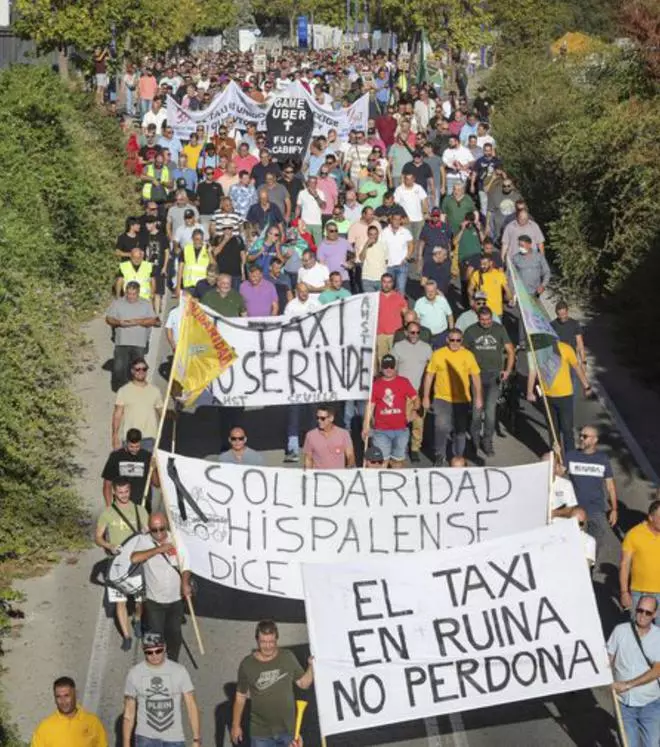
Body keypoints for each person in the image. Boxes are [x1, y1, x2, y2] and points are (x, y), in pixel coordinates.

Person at [231, 620, 314, 747]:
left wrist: (311, 666)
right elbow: (240, 697)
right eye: (263, 642)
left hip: (289, 732)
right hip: (261, 734)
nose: (268, 646)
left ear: (277, 640)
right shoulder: (247, 664)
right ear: (257, 640)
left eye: (271, 642)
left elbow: (304, 683)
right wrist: (235, 725)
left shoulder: (287, 657)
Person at [130, 513, 191, 662]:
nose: (158, 533)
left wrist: (185, 583)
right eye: (154, 530)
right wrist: (158, 550)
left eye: (162, 529)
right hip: (154, 600)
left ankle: (173, 662)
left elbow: (186, 564)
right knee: (156, 636)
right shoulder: (144, 540)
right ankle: (156, 663)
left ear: (167, 526)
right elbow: (134, 558)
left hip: (175, 599)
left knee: (175, 634)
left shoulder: (177, 539)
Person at [95, 478, 149, 650]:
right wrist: (109, 545)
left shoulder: (140, 510)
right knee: (121, 601)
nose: (124, 495)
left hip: (137, 561)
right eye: (120, 492)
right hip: (117, 563)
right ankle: (126, 636)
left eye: (126, 492)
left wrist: (146, 532)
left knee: (141, 600)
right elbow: (97, 537)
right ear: (114, 493)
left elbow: (148, 535)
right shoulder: (108, 513)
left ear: (130, 490)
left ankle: (138, 619)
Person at [123, 632, 201, 747]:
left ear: (164, 648)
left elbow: (191, 705)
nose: (154, 655)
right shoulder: (134, 673)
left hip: (174, 738)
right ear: (143, 651)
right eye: (149, 652)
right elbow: (129, 712)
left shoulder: (179, 671)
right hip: (145, 738)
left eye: (158, 651)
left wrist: (196, 739)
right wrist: (126, 743)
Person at [423, 329, 482, 466]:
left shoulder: (468, 355)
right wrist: (426, 396)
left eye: (458, 340)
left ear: (461, 341)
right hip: (442, 398)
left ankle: (458, 458)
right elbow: (429, 375)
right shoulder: (438, 354)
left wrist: (478, 397)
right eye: (452, 340)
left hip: (462, 400)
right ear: (447, 340)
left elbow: (475, 376)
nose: (455, 343)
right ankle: (440, 455)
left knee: (460, 431)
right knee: (441, 427)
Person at [607, 596, 660, 747]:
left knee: (651, 744)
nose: (643, 615)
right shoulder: (620, 631)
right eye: (640, 610)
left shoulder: (659, 637)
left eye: (648, 613)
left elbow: (657, 670)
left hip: (651, 703)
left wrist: (628, 684)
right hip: (623, 704)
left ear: (654, 614)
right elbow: (607, 659)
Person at [463, 307, 515, 456]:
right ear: (478, 318)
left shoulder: (499, 329)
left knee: (491, 412)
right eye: (482, 320)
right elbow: (463, 352)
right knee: (476, 412)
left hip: (494, 376)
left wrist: (508, 370)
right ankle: (474, 441)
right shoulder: (471, 331)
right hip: (476, 375)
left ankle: (487, 441)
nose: (486, 323)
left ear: (492, 318)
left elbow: (510, 351)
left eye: (488, 320)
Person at [527, 341, 592, 454]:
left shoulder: (566, 348)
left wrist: (586, 386)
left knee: (567, 430)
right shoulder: (535, 350)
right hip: (547, 397)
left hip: (565, 396)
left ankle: (570, 458)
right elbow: (532, 372)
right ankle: (557, 459)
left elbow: (576, 367)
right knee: (553, 430)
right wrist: (529, 392)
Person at [565, 425, 618, 558]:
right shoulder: (571, 456)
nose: (581, 439)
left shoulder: (603, 459)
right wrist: (556, 455)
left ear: (595, 440)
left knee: (594, 547)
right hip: (575, 510)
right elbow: (558, 473)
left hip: (596, 510)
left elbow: (610, 486)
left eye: (585, 436)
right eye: (581, 436)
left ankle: (589, 572)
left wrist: (614, 509)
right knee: (574, 546)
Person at [362, 354, 419, 469]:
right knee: (382, 461)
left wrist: (415, 411)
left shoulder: (403, 382)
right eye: (386, 366)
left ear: (395, 367)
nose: (388, 369)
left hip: (401, 429)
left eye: (391, 366)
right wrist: (365, 426)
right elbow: (370, 407)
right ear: (381, 368)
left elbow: (415, 398)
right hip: (381, 431)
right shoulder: (376, 385)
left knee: (397, 462)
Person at [106, 281, 160, 390]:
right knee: (119, 369)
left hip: (138, 343)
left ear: (138, 293)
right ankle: (123, 388)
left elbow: (153, 321)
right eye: (129, 293)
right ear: (125, 292)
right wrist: (119, 323)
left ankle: (135, 389)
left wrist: (137, 321)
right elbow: (109, 319)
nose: (131, 296)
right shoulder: (117, 303)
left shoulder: (146, 304)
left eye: (133, 294)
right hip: (122, 342)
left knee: (138, 369)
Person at [392, 321, 433, 462]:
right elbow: (393, 368)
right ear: (406, 333)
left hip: (418, 391)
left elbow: (431, 370)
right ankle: (400, 449)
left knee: (418, 422)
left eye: (417, 332)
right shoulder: (398, 347)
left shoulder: (426, 348)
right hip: (401, 392)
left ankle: (415, 448)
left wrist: (426, 393)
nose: (414, 335)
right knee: (401, 421)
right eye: (412, 332)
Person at [31, 676, 107, 747]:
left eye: (66, 695)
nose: (63, 701)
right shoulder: (44, 727)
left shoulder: (93, 722)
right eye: (58, 697)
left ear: (75, 694)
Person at [620, 500, 660, 622]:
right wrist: (624, 592)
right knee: (637, 632)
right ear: (651, 517)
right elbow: (625, 565)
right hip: (639, 593)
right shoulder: (634, 534)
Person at [112, 358, 163, 452]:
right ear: (132, 371)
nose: (141, 371)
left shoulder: (155, 391)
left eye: (144, 369)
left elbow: (162, 414)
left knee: (148, 466)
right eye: (137, 369)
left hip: (149, 439)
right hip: (130, 440)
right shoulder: (123, 391)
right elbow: (117, 415)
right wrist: (115, 436)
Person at [102, 428, 153, 508]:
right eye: (131, 447)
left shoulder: (147, 456)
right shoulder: (115, 457)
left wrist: (155, 468)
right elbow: (107, 484)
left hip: (143, 506)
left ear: (141, 442)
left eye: (137, 446)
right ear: (126, 442)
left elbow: (156, 484)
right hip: (122, 506)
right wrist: (109, 507)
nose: (134, 450)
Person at [303, 404, 355, 469]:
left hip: (338, 476)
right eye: (317, 418)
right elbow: (308, 458)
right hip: (318, 476)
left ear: (331, 418)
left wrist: (349, 468)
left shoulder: (343, 434)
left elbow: (350, 455)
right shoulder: (310, 435)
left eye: (322, 418)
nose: (319, 421)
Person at [376, 272, 408, 362]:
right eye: (384, 282)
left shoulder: (399, 297)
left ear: (393, 283)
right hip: (380, 334)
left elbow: (406, 315)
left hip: (395, 334)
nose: (386, 285)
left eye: (389, 282)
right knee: (382, 360)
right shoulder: (375, 297)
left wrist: (406, 330)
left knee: (396, 359)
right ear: (381, 282)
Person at [413, 280, 454, 349]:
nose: (430, 293)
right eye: (428, 291)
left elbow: (450, 315)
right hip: (425, 335)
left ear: (436, 290)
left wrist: (452, 331)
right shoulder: (419, 302)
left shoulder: (442, 300)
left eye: (432, 291)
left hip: (442, 335)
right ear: (424, 291)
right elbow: (416, 320)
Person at [382, 212, 414, 295]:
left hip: (402, 265)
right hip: (389, 265)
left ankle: (400, 308)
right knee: (388, 290)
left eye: (399, 220)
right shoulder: (384, 232)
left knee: (401, 289)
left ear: (401, 221)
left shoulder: (406, 231)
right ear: (391, 220)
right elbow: (381, 247)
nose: (397, 221)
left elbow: (411, 245)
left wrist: (407, 258)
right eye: (395, 219)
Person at [551, 301, 587, 370]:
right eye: (560, 315)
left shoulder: (574, 324)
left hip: (571, 359)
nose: (562, 317)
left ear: (567, 312)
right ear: (556, 313)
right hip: (558, 360)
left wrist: (583, 361)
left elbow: (580, 343)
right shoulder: (552, 325)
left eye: (564, 314)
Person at [358, 224, 388, 293]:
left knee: (380, 302)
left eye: (375, 234)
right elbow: (361, 259)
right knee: (371, 302)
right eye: (371, 234)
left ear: (378, 234)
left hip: (381, 279)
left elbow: (386, 260)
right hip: (367, 279)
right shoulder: (363, 245)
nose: (373, 236)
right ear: (368, 235)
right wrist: (366, 245)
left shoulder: (383, 244)